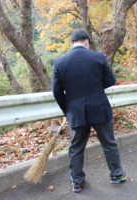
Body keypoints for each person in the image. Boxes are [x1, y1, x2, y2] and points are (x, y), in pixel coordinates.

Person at [52, 29, 126, 193]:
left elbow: (56, 91)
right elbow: (111, 80)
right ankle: (116, 175)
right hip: (99, 108)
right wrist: (96, 88)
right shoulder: (98, 57)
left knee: (76, 148)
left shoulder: (60, 62)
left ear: (72, 43)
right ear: (87, 42)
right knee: (109, 143)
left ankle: (77, 182)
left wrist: (68, 109)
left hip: (76, 111)